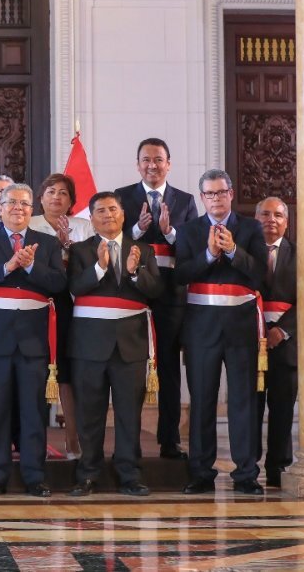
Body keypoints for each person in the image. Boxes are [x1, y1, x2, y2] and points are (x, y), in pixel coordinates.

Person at [0, 184, 67, 498]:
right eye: (11, 203)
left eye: (24, 203)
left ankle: (34, 475)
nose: (18, 209)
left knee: (32, 410)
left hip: (33, 341)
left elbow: (58, 284)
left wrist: (31, 265)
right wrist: (8, 266)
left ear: (31, 207)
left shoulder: (47, 243)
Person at [177, 169, 267, 495]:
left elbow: (259, 276)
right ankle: (201, 472)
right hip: (202, 326)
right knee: (202, 400)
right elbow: (181, 274)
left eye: (221, 192)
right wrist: (209, 255)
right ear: (202, 198)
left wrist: (232, 252)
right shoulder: (189, 231)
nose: (216, 199)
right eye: (209, 194)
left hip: (241, 325)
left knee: (243, 400)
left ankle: (246, 474)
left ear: (231, 193)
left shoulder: (251, 228)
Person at [66, 192, 162, 497]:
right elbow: (74, 287)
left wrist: (134, 272)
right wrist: (99, 267)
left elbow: (156, 290)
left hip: (130, 344)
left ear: (123, 214)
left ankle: (130, 474)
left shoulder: (142, 250)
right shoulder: (81, 251)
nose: (107, 215)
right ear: (91, 219)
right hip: (89, 345)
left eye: (112, 209)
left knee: (128, 413)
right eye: (100, 211)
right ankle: (88, 474)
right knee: (90, 413)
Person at [115, 138, 198, 460]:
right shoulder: (121, 197)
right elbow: (112, 240)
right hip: (133, 293)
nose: (152, 165)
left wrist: (170, 232)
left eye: (158, 160)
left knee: (168, 368)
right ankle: (129, 441)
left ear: (169, 164)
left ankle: (170, 440)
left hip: (170, 296)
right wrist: (136, 229)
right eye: (146, 160)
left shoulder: (186, 201)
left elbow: (192, 248)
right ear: (138, 164)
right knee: (130, 369)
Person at [28, 173, 94, 458]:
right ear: (40, 198)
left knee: (66, 375)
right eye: (51, 191)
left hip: (70, 306)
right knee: (35, 373)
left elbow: (93, 266)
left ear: (71, 200)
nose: (57, 197)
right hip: (35, 303)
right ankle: (33, 443)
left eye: (63, 193)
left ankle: (73, 441)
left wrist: (68, 246)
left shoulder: (84, 227)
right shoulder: (28, 225)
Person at [255, 196, 297, 489]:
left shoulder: (303, 255)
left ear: (287, 221)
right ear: (255, 219)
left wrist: (282, 331)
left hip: (287, 345)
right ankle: (246, 466)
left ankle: (278, 467)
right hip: (250, 342)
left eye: (278, 215)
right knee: (250, 409)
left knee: (281, 410)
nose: (271, 219)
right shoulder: (243, 252)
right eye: (265, 214)